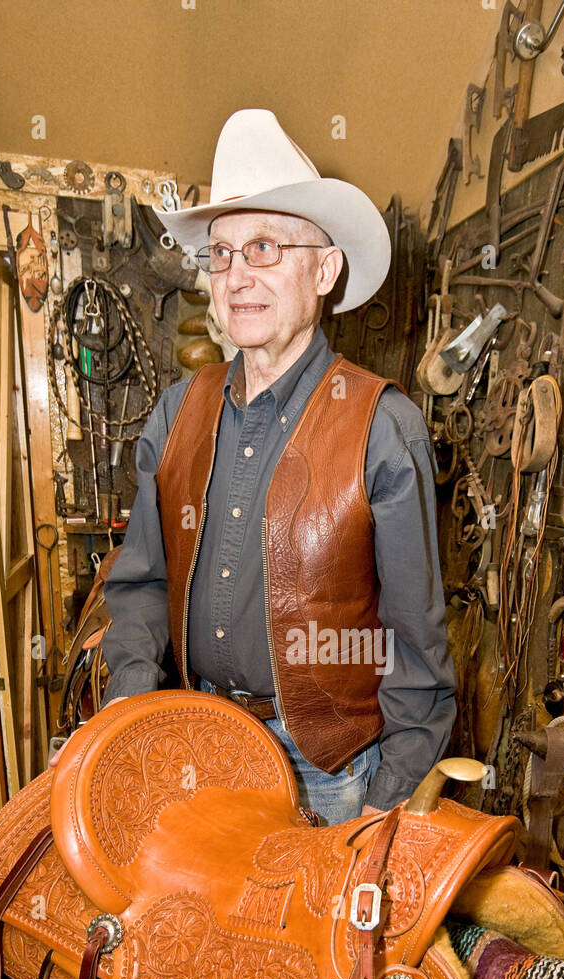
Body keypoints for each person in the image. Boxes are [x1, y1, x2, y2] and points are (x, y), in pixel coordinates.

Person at [99, 108, 455, 824]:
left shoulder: (385, 429)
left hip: (327, 771)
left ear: (323, 270)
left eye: (264, 247)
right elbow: (141, 585)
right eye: (222, 253)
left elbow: (416, 644)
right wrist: (131, 725)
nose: (237, 276)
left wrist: (385, 809)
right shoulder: (175, 416)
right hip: (195, 747)